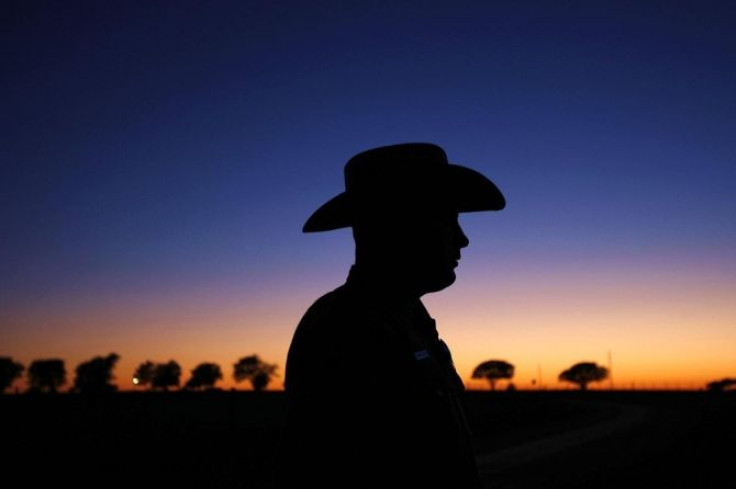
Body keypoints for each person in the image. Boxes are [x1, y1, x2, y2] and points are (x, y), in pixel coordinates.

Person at [275, 142, 506, 489]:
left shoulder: (411, 321)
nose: (463, 239)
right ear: (401, 225)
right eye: (447, 221)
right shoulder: (341, 331)